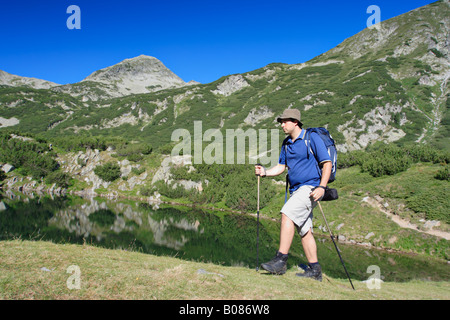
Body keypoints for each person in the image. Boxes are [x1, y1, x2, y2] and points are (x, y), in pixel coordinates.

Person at [254, 109, 332, 281]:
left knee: (287, 214)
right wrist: (265, 172)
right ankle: (315, 270)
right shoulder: (287, 143)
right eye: (281, 122)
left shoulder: (311, 139)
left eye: (285, 121)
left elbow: (327, 163)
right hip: (296, 190)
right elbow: (281, 167)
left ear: (295, 122)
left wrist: (322, 187)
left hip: (310, 188)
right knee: (305, 230)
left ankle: (280, 261)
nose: (282, 125)